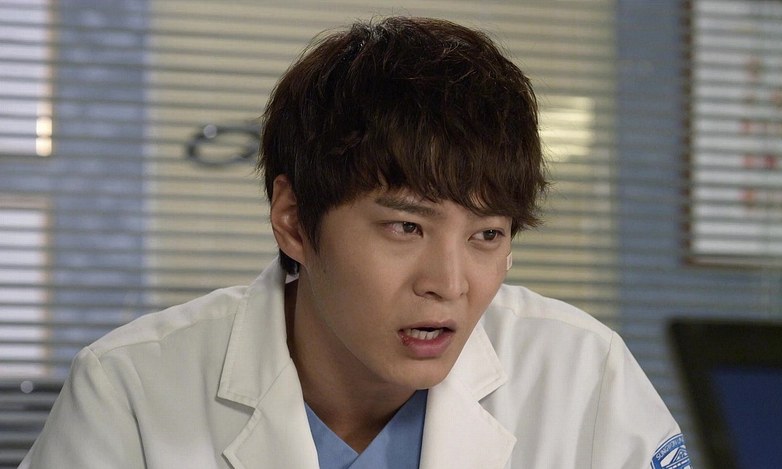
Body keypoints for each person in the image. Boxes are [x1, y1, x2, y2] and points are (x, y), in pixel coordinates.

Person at [20, 16, 689, 469]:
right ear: (293, 220)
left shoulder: (582, 374)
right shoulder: (131, 390)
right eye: (406, 227)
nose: (448, 284)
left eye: (487, 235)